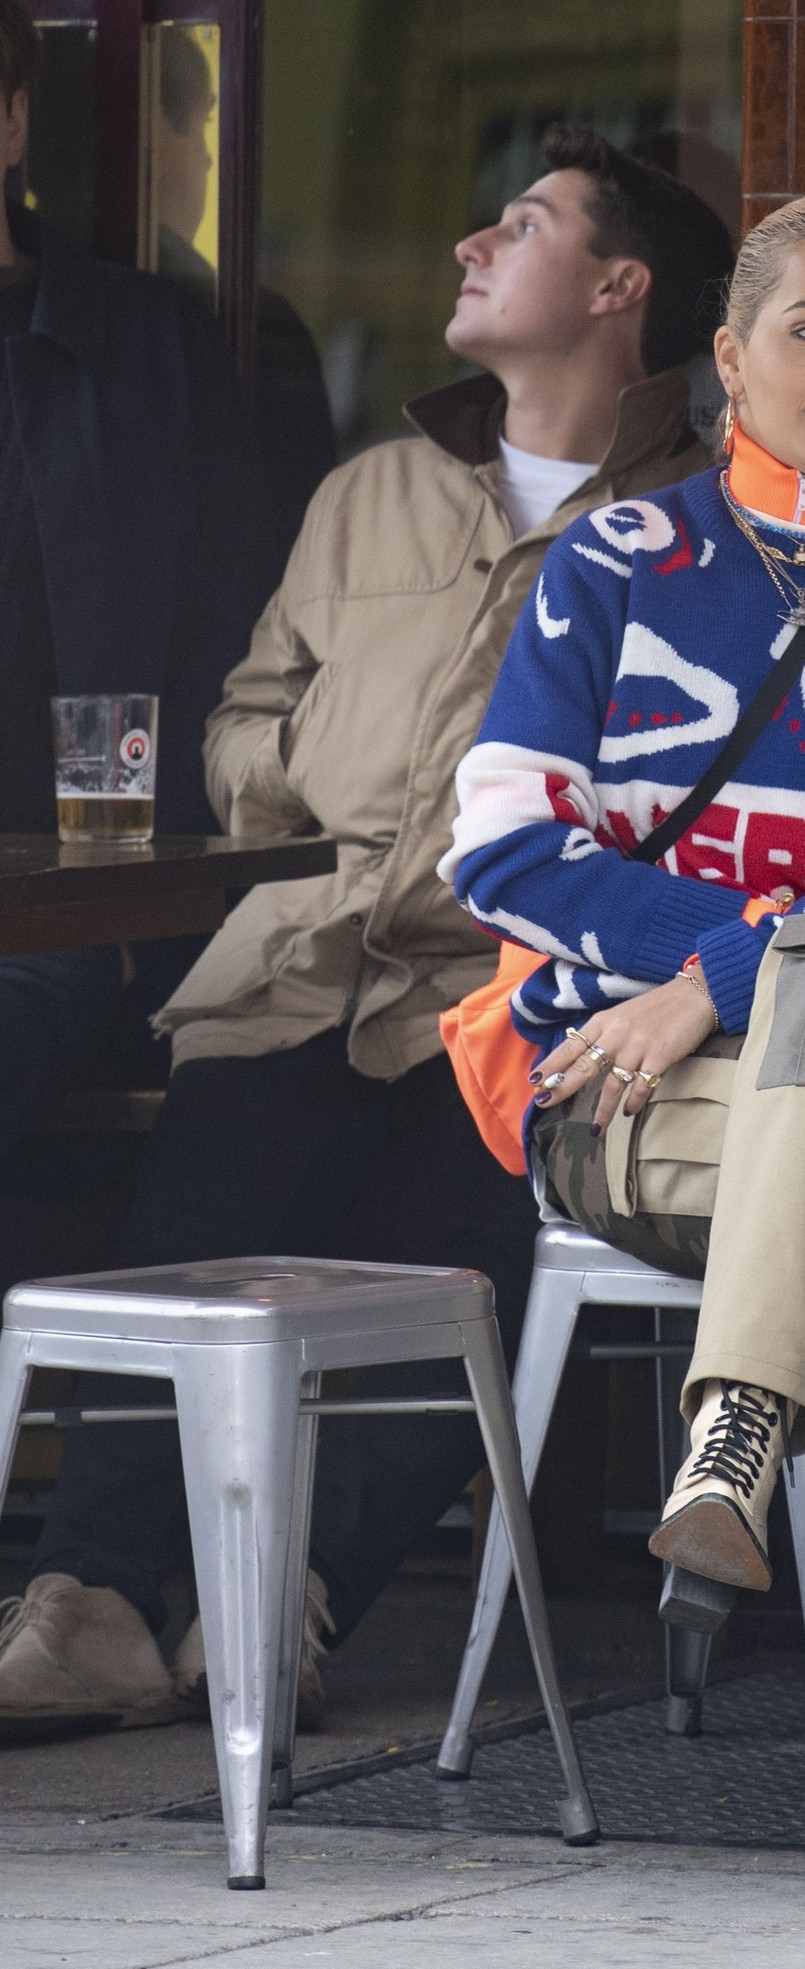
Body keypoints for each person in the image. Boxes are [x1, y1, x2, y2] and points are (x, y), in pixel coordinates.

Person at [0, 128, 731, 1738]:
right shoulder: (369, 493)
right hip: (297, 960)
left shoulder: (697, 532)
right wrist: (307, 794)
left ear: (619, 288)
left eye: (521, 224)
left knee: (461, 1282)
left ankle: (287, 1595)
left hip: (509, 990)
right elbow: (242, 716)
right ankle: (92, 1600)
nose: (471, 244)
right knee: (186, 1263)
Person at [442, 194, 805, 1854]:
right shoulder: (618, 563)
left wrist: (721, 982)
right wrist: (728, 969)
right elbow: (502, 844)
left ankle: (738, 1427)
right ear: (730, 358)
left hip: (797, 1070)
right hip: (617, 1088)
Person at [0, 0, 272, 1158]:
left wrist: (129, 916)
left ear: (13, 122)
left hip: (68, 928)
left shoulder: (154, 351)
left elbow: (237, 652)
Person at [150, 23, 336, 578]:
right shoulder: (248, 325)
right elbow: (297, 555)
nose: (210, 159)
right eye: (204, 124)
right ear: (154, 128)